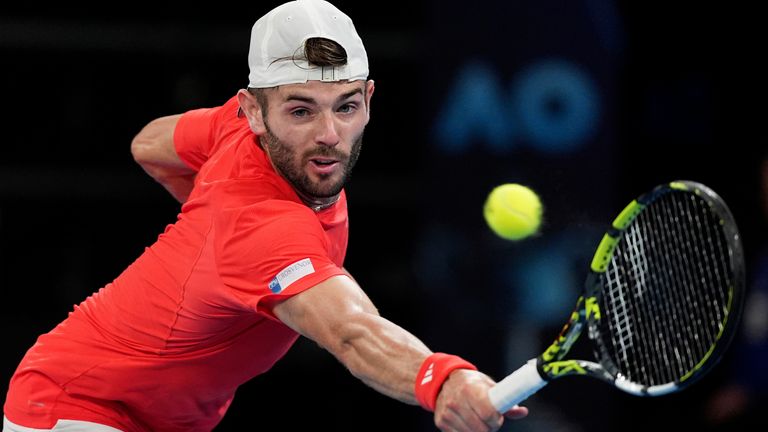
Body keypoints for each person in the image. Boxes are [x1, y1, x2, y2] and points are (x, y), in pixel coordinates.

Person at [3, 1, 528, 431]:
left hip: (156, 417)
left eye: (345, 106)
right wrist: (442, 380)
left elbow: (148, 145)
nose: (328, 134)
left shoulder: (233, 129)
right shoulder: (261, 224)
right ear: (254, 110)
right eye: (301, 110)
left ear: (369, 99)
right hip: (80, 407)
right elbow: (350, 331)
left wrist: (206, 224)